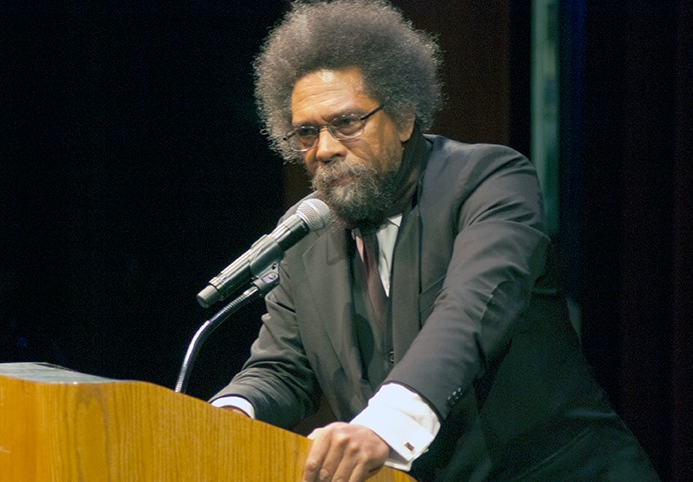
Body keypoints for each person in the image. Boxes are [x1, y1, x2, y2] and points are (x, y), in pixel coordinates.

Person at [211, 1, 659, 480]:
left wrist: (383, 426)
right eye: (306, 132)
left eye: (347, 123)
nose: (325, 149)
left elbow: (470, 312)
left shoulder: (488, 180)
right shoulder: (307, 233)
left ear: (404, 117)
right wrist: (229, 414)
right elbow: (282, 368)